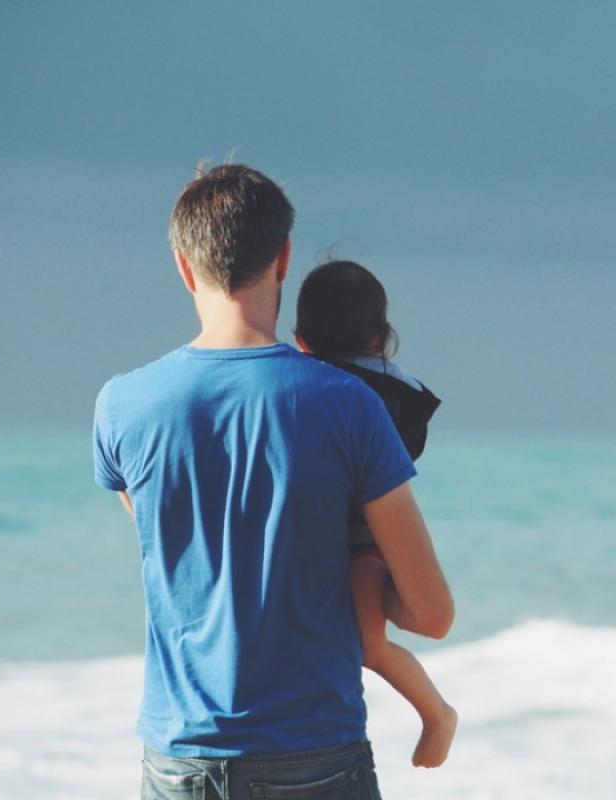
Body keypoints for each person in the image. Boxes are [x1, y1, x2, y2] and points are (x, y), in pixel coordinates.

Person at [93, 163, 454, 800]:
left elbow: (178, 547)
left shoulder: (122, 405)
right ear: (283, 258)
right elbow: (431, 615)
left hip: (179, 758)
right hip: (313, 753)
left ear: (183, 266)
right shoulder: (349, 404)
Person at [295, 260, 458, 768]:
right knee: (366, 642)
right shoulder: (399, 390)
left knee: (368, 643)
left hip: (365, 540)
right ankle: (435, 713)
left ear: (301, 340)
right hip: (368, 539)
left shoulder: (307, 385)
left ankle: (437, 714)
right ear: (382, 336)